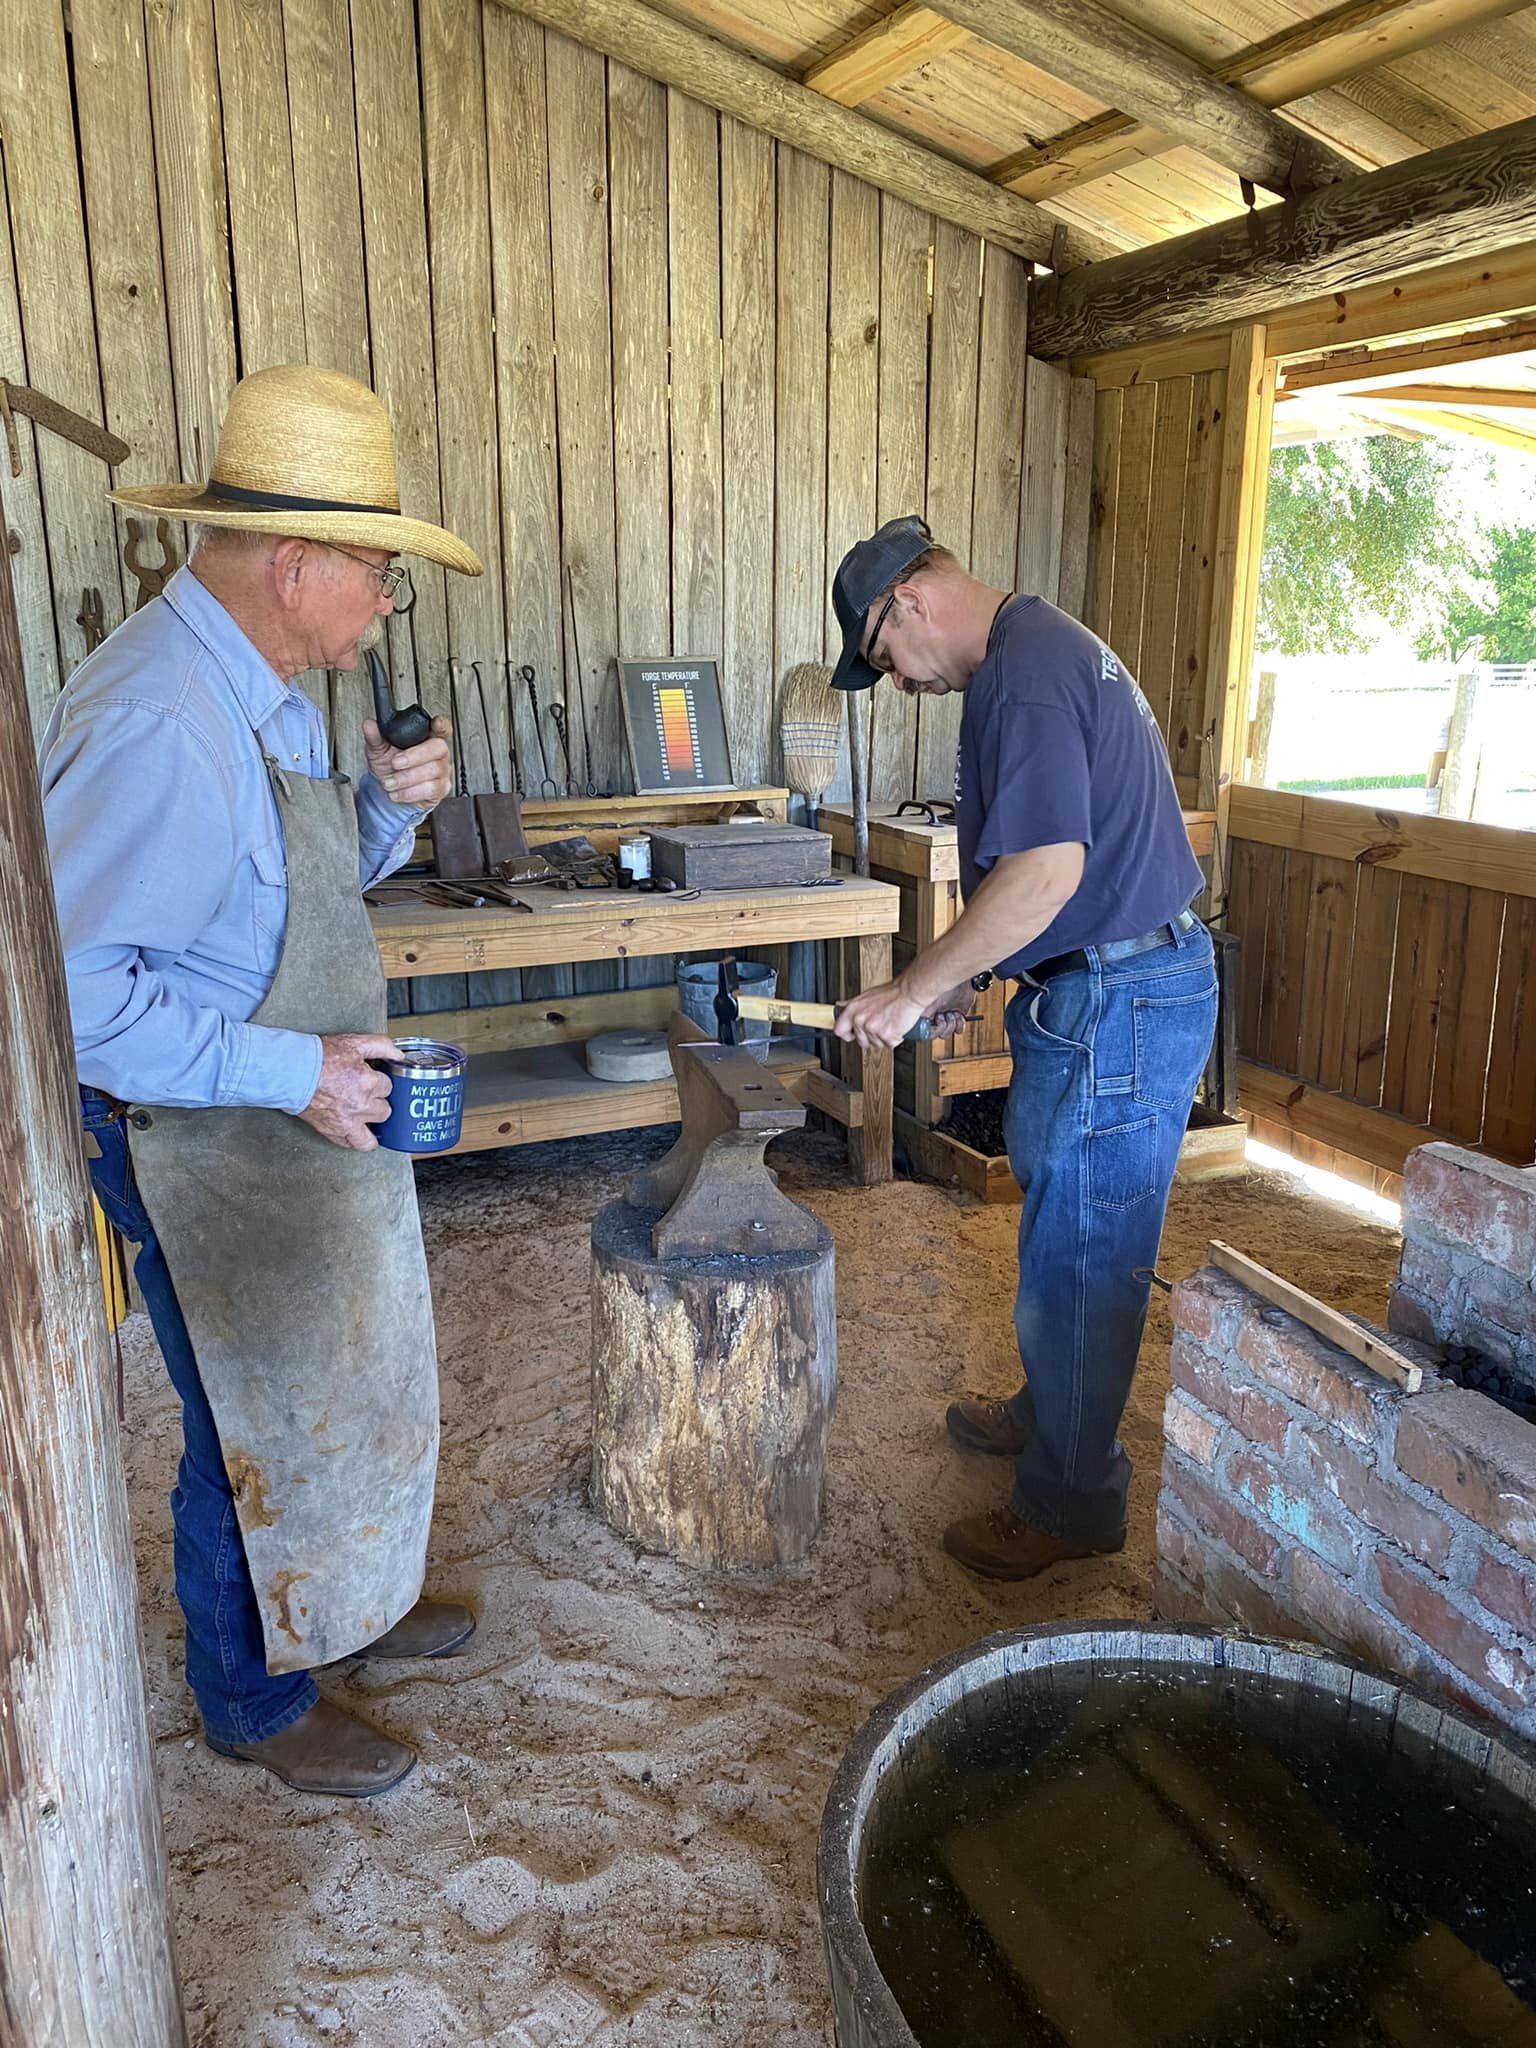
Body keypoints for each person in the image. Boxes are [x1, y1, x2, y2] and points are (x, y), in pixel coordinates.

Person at [42, 365, 484, 1795]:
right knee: (246, 1403)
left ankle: (342, 1602)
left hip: (286, 1095)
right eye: (379, 573)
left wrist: (382, 816)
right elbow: (74, 997)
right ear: (296, 562)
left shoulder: (270, 691)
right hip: (192, 1128)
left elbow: (284, 900)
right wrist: (295, 1072)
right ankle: (251, 1697)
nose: (386, 605)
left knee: (334, 1363)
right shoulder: (161, 721)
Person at [829, 515, 1217, 1580]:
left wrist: (914, 986)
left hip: (1122, 997)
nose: (898, 681)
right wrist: (966, 978)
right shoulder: (1033, 651)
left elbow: (1046, 872)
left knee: (1086, 1251)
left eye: (882, 657)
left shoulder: (1026, 676)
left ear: (909, 601)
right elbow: (1043, 883)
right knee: (1065, 1233)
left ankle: (1070, 1503)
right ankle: (1057, 1413)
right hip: (1104, 986)